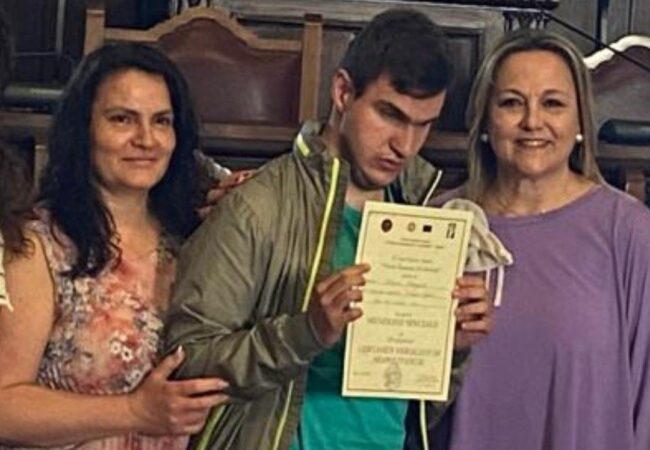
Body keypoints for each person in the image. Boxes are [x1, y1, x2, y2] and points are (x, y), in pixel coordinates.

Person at [165, 9, 493, 450]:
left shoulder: (421, 214)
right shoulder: (256, 206)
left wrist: (451, 350)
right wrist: (305, 332)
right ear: (342, 92)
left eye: (423, 125)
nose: (405, 145)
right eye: (390, 115)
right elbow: (188, 361)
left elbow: (411, 410)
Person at [0, 43, 229, 449]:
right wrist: (133, 411)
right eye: (122, 119)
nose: (146, 139)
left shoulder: (196, 240)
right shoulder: (35, 245)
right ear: (83, 129)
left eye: (161, 121)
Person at [431, 30, 650, 450]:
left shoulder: (629, 233)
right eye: (512, 103)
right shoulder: (439, 223)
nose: (533, 122)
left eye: (553, 104)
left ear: (580, 121)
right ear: (484, 119)